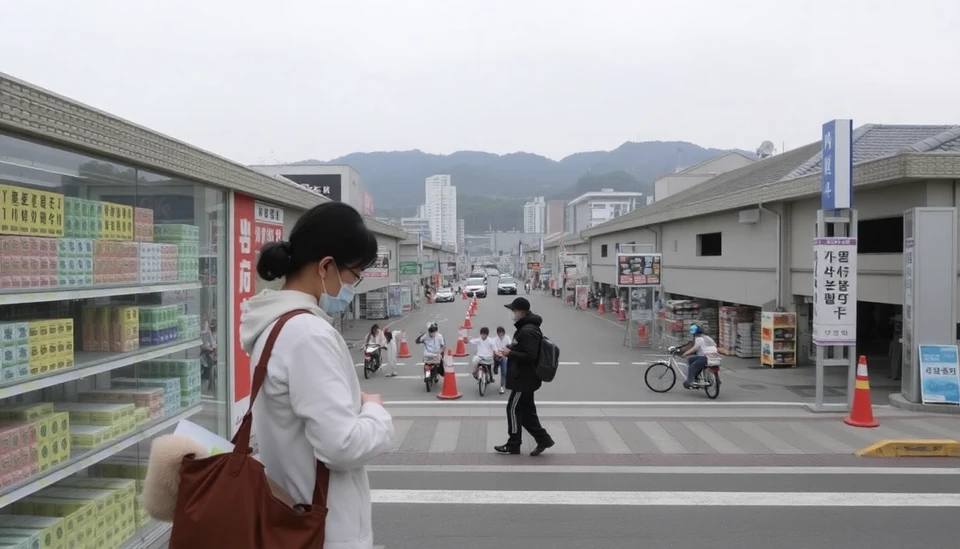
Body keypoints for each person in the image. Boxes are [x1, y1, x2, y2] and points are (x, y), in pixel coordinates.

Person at [239, 201, 394, 549]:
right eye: (354, 275)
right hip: (321, 527)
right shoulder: (308, 334)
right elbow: (341, 446)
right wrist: (375, 411)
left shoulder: (272, 324)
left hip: (289, 513)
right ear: (326, 266)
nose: (352, 285)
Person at [494, 297, 554, 456]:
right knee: (527, 412)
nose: (512, 313)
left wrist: (510, 353)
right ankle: (544, 440)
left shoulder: (527, 330)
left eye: (513, 310)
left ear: (521, 311)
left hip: (524, 379)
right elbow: (525, 349)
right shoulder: (527, 328)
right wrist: (511, 349)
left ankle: (513, 444)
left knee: (512, 409)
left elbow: (530, 355)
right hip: (527, 378)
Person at [681, 324, 717, 389]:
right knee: (691, 359)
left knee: (692, 366)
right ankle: (696, 374)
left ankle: (690, 381)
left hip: (705, 357)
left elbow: (694, 348)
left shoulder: (698, 338)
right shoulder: (707, 337)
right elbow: (715, 346)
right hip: (714, 357)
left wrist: (685, 353)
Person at [492, 326, 512, 395]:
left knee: (504, 372)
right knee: (496, 358)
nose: (500, 335)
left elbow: (509, 346)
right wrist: (498, 351)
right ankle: (496, 366)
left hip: (504, 356)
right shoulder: (495, 339)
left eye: (502, 333)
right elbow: (494, 348)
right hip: (497, 355)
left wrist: (503, 351)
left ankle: (502, 386)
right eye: (499, 333)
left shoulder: (507, 338)